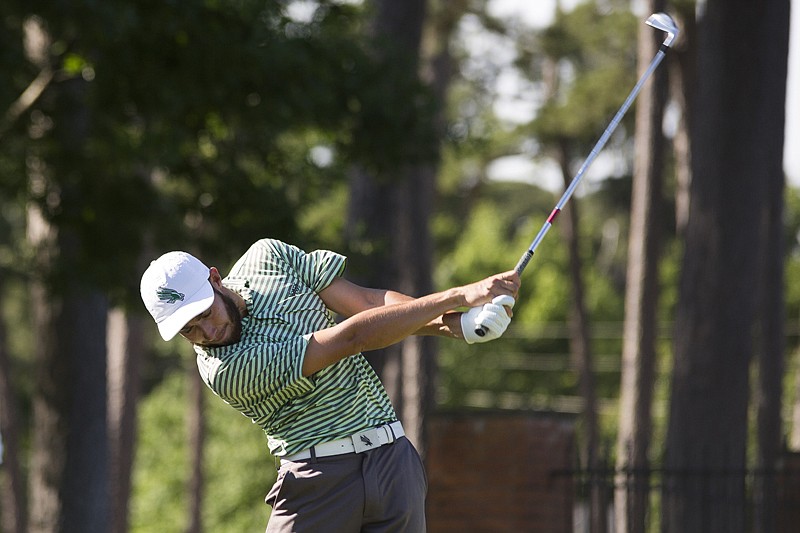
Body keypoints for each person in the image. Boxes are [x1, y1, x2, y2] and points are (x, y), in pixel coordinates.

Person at [140, 238, 519, 532]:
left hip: (392, 463)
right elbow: (350, 339)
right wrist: (455, 298)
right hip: (317, 482)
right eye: (189, 330)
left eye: (205, 314)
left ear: (215, 278)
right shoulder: (225, 370)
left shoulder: (268, 257)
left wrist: (459, 325)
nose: (206, 332)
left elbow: (368, 303)